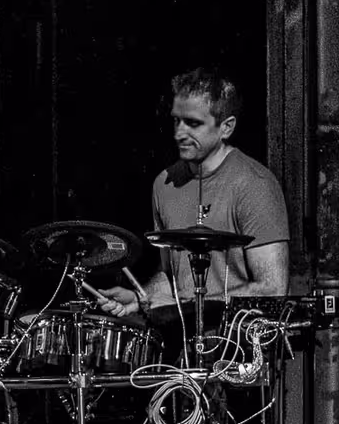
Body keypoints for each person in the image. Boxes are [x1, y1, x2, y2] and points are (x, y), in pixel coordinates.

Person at [105, 68, 289, 324]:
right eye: (176, 121)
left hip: (234, 346)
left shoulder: (254, 185)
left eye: (193, 123)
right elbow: (174, 277)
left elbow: (272, 289)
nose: (179, 133)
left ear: (226, 127)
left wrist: (189, 305)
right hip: (179, 342)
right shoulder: (164, 184)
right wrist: (141, 297)